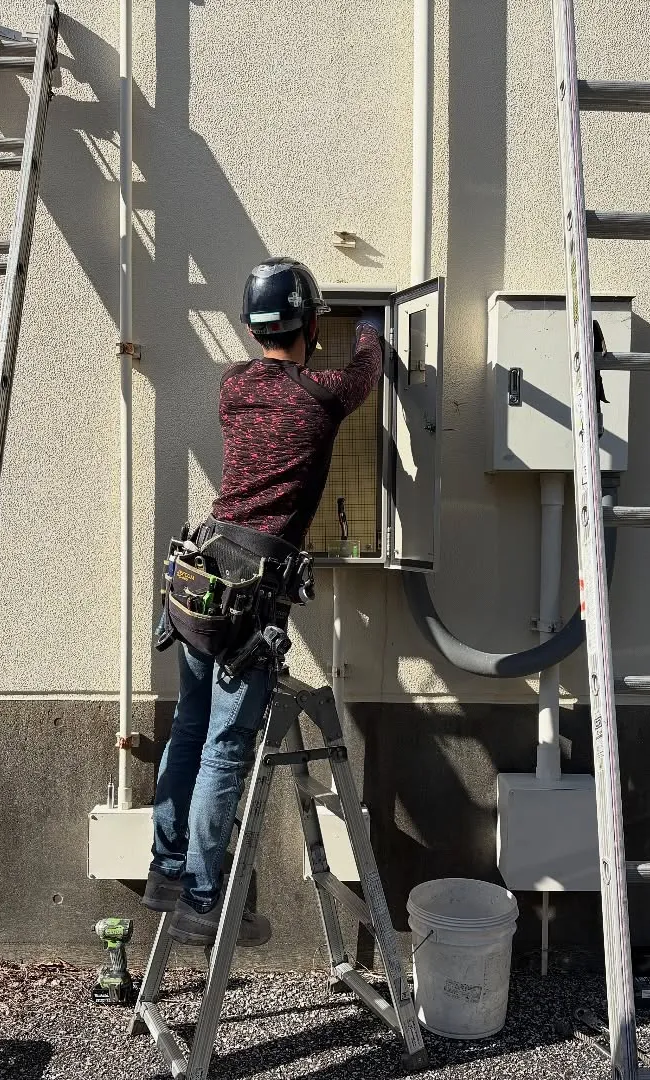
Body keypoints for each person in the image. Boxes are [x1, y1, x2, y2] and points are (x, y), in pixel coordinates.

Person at [143, 258, 383, 946]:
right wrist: (366, 325)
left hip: (200, 573)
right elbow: (366, 366)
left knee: (189, 728)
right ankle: (204, 898)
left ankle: (167, 868)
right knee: (224, 745)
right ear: (310, 324)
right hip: (253, 590)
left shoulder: (232, 386)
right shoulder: (325, 396)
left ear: (252, 330)